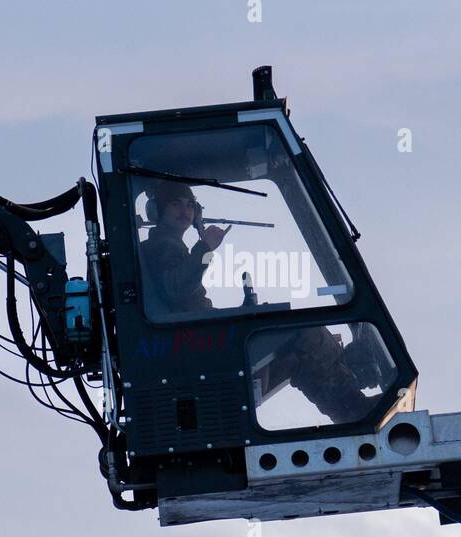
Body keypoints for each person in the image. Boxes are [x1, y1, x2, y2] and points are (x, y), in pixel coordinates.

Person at [138, 179, 374, 424]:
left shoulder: (171, 246)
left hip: (202, 340)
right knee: (306, 331)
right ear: (157, 211)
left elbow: (186, 299)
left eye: (189, 205)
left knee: (294, 359)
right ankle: (353, 405)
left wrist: (244, 311)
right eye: (175, 204)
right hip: (200, 345)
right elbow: (175, 288)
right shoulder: (163, 245)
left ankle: (349, 409)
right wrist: (205, 246)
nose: (184, 211)